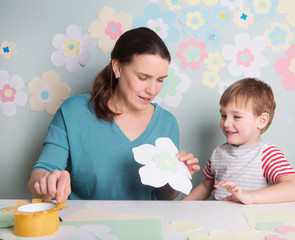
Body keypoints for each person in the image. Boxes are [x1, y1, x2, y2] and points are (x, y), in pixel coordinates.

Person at [28, 27, 200, 202]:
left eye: (160, 80)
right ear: (117, 68)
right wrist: (47, 182)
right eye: (143, 77)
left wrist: (176, 175)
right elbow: (41, 172)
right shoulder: (73, 112)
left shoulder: (167, 123)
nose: (152, 90)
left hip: (144, 225)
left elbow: (164, 197)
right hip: (83, 225)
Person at [183, 78, 295, 204]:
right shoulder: (218, 153)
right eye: (223, 115)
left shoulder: (267, 154)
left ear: (261, 121)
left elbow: (294, 189)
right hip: (218, 219)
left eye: (237, 117)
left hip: (249, 220)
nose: (227, 123)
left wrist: (248, 197)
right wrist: (181, 206)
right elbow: (206, 187)